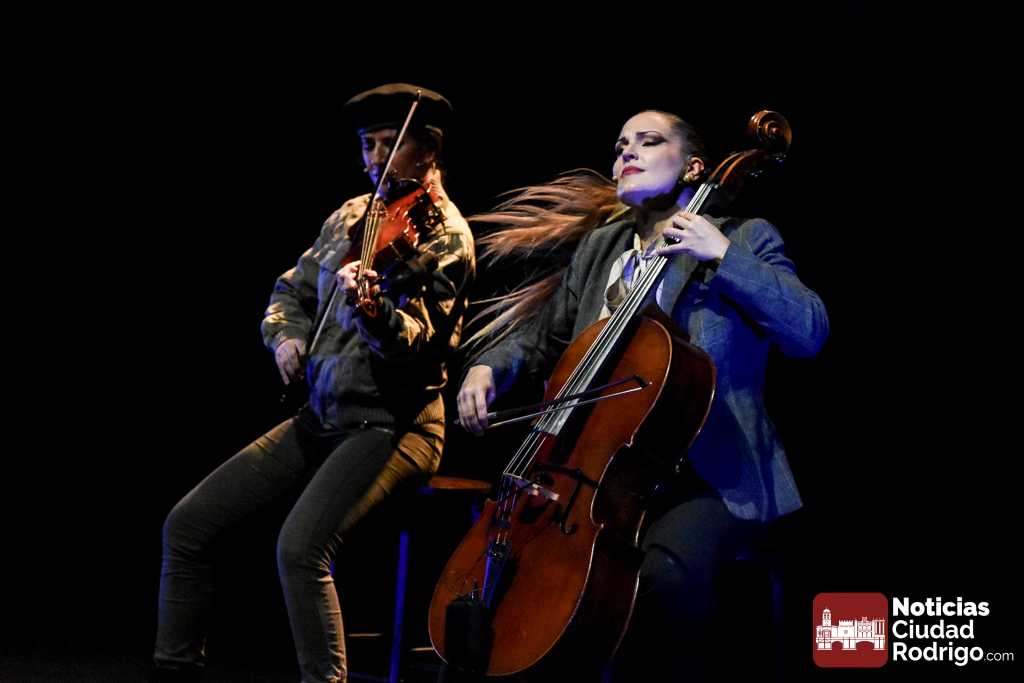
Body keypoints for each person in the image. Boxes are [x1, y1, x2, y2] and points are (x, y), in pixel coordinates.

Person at [456, 109, 827, 680]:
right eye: (620, 145)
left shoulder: (743, 235)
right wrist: (487, 367)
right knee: (525, 586)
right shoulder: (601, 247)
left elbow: (809, 330)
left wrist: (722, 254)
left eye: (648, 142)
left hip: (708, 474)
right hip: (599, 472)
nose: (626, 152)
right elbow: (542, 337)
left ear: (694, 167)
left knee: (662, 580)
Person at [153, 83, 475, 683]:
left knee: (299, 550)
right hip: (323, 415)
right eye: (367, 145)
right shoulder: (351, 216)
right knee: (187, 525)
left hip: (393, 425)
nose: (375, 159)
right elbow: (291, 290)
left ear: (428, 151)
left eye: (390, 144)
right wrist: (285, 337)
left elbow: (420, 349)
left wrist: (374, 313)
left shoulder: (447, 237)